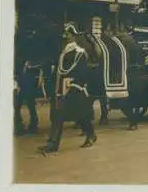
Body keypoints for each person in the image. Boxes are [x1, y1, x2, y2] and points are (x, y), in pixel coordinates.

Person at [38, 23, 97, 154]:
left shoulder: (79, 53)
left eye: (69, 34)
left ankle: (91, 135)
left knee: (81, 116)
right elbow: (59, 70)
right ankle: (52, 144)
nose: (66, 36)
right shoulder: (63, 51)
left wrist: (76, 86)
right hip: (61, 88)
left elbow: (83, 72)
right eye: (65, 34)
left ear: (74, 36)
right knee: (58, 115)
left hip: (74, 88)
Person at [14, 60, 42, 135]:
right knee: (18, 107)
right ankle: (21, 126)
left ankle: (33, 126)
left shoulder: (32, 68)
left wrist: (39, 81)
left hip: (29, 89)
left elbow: (40, 71)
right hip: (23, 88)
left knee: (31, 107)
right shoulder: (22, 67)